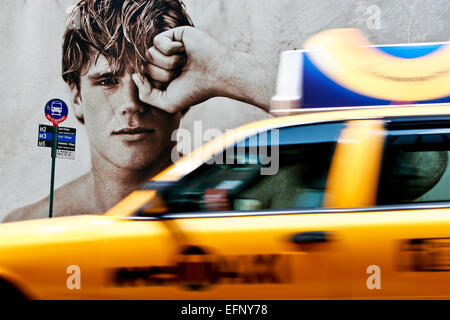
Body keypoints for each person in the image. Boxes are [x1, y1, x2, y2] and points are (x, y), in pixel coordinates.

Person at [3, 0, 275, 222]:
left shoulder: (238, 220)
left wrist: (225, 69)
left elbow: (318, 121)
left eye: (151, 79)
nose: (131, 103)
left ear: (186, 94)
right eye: (108, 81)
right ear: (76, 98)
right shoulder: (26, 228)